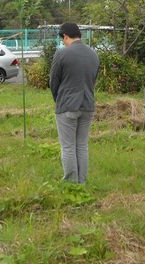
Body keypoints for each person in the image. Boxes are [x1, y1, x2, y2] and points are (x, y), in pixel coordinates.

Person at [49, 23, 100, 184]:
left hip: (67, 106)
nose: (63, 42)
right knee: (82, 145)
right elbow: (93, 79)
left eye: (63, 39)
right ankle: (82, 181)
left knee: (68, 146)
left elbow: (53, 81)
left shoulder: (62, 54)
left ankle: (71, 183)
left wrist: (59, 99)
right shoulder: (93, 54)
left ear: (65, 36)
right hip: (88, 105)